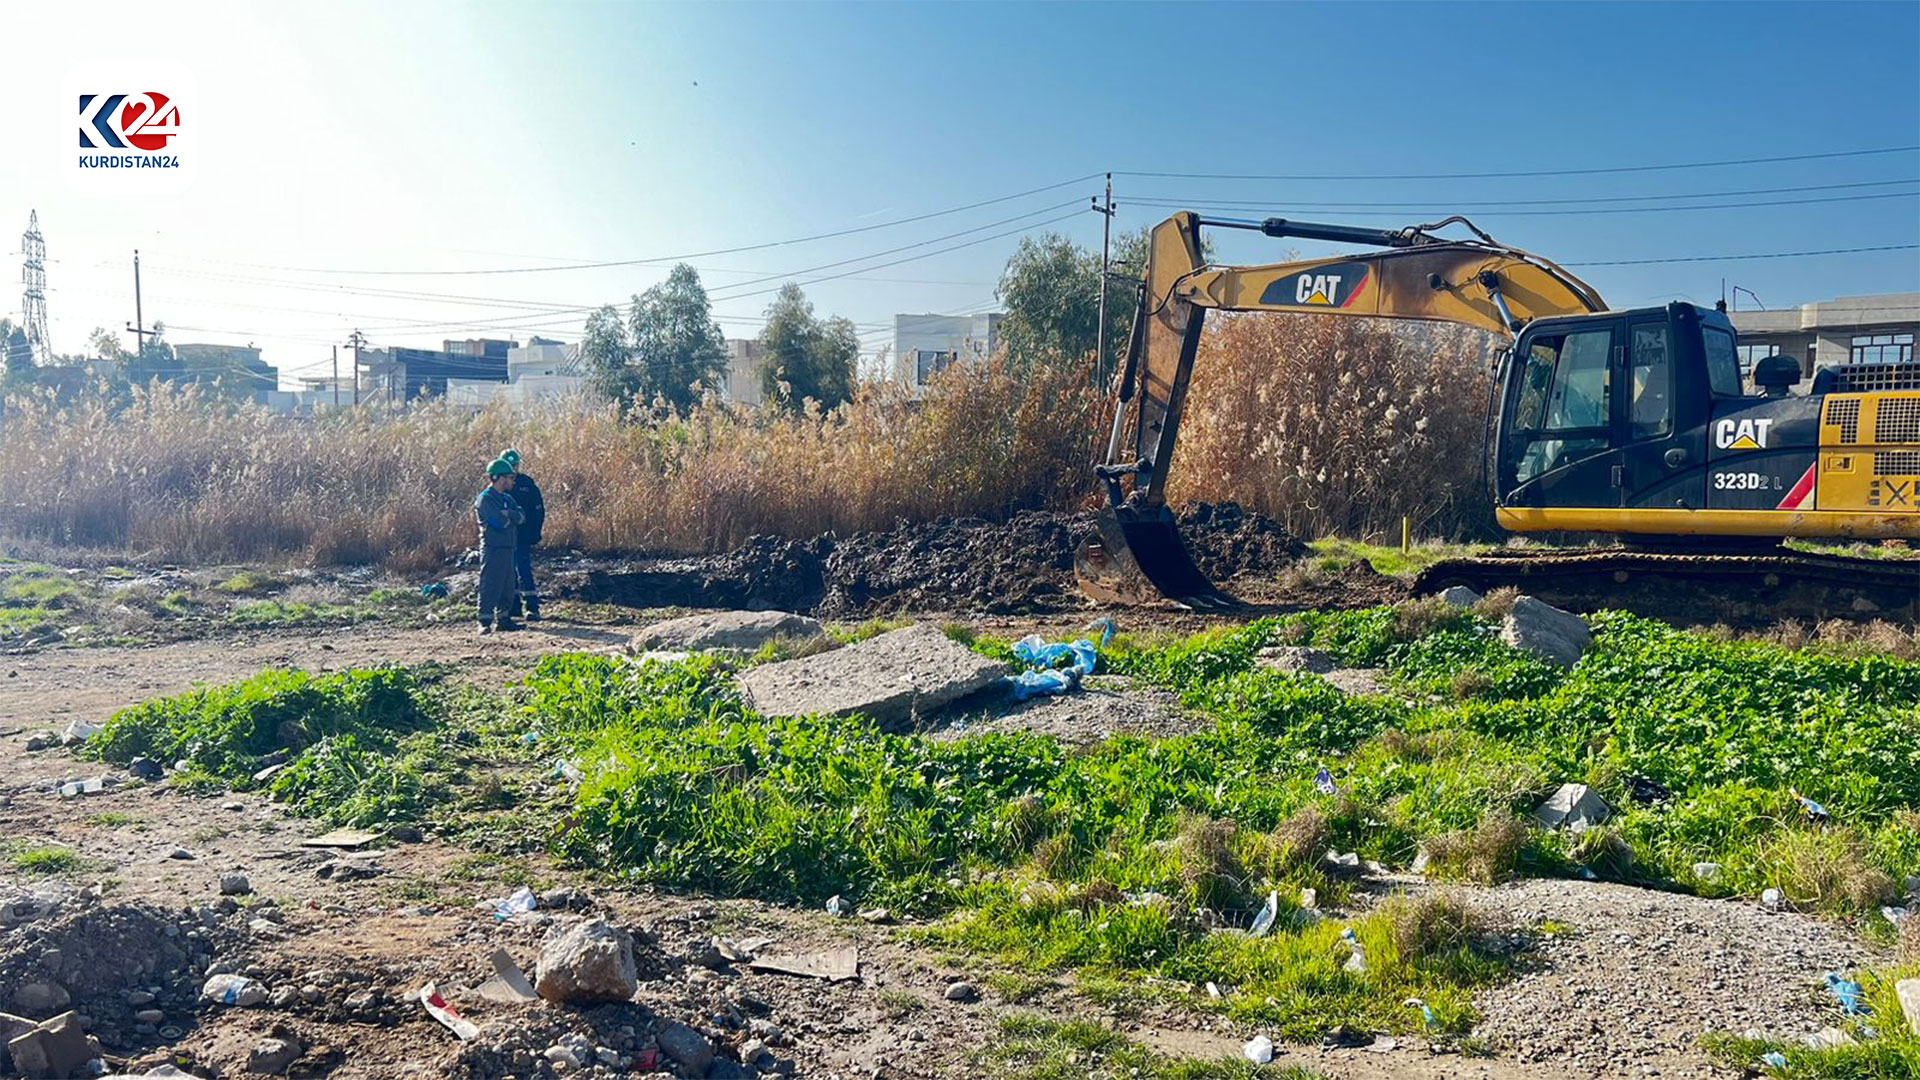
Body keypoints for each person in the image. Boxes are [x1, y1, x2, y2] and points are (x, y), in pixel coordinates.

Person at [474, 458, 525, 634]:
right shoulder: (486, 499)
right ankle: (484, 620)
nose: (513, 481)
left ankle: (504, 618)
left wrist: (509, 514)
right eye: (510, 478)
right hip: (493, 548)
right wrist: (510, 518)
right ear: (500, 478)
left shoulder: (507, 499)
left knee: (508, 584)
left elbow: (521, 517)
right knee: (490, 583)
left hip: (508, 547)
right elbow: (498, 523)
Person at [500, 448, 546, 621]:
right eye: (509, 465)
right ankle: (514, 607)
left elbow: (538, 510)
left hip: (523, 536)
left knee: (524, 570)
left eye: (515, 465)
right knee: (508, 571)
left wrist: (535, 533)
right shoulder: (498, 486)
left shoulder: (527, 483)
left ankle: (533, 608)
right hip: (505, 536)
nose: (513, 469)